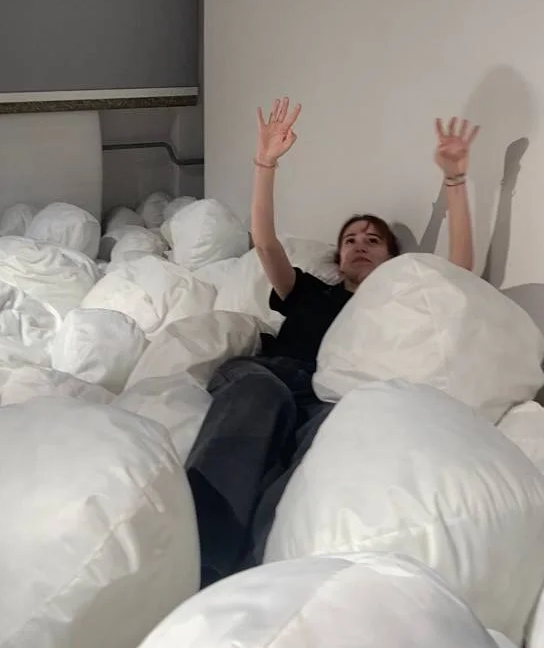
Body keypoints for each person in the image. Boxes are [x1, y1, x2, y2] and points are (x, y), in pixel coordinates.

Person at [186, 99, 479, 586]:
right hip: (273, 374)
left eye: (373, 240)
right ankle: (198, 560)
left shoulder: (395, 305)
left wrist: (455, 180)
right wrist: (265, 164)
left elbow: (459, 276)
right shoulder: (309, 291)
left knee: (327, 444)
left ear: (391, 259)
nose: (360, 244)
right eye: (350, 240)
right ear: (338, 257)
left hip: (333, 396)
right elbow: (265, 244)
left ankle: (261, 576)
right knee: (261, 396)